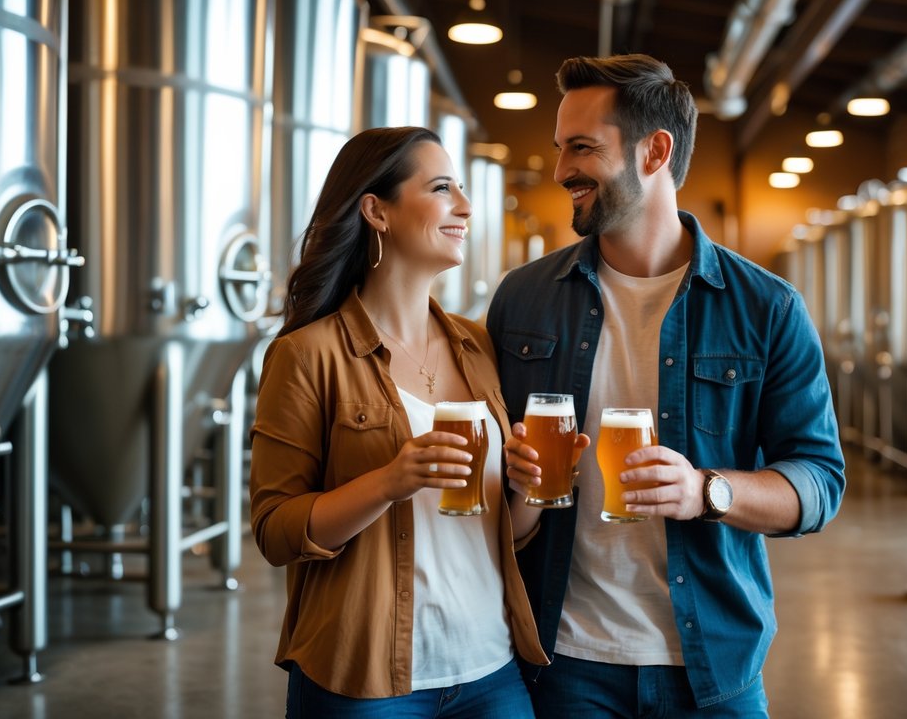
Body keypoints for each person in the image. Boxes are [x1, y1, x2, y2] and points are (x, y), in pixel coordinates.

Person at [486, 55, 846, 718]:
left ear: (654, 152)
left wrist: (705, 490)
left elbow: (819, 483)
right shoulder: (523, 299)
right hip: (561, 661)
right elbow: (495, 482)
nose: (561, 168)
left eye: (582, 148)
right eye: (559, 147)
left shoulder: (765, 306)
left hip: (711, 668)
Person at [249, 126, 547, 718]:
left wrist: (534, 490)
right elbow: (275, 532)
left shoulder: (478, 345)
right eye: (441, 188)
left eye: (462, 187)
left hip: (491, 669)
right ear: (376, 211)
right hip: (366, 681)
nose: (464, 204)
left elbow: (497, 536)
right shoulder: (308, 355)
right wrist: (389, 482)